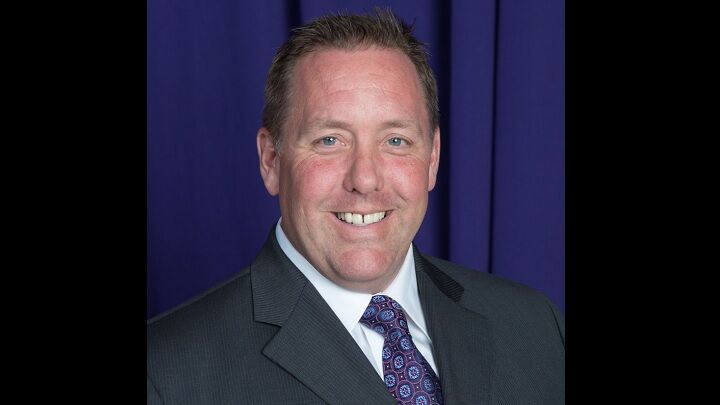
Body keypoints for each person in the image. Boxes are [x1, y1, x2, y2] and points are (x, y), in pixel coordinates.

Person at [147, 9, 564, 404]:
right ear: (271, 160)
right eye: (329, 140)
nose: (364, 180)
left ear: (432, 158)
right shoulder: (167, 373)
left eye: (396, 141)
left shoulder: (535, 327)